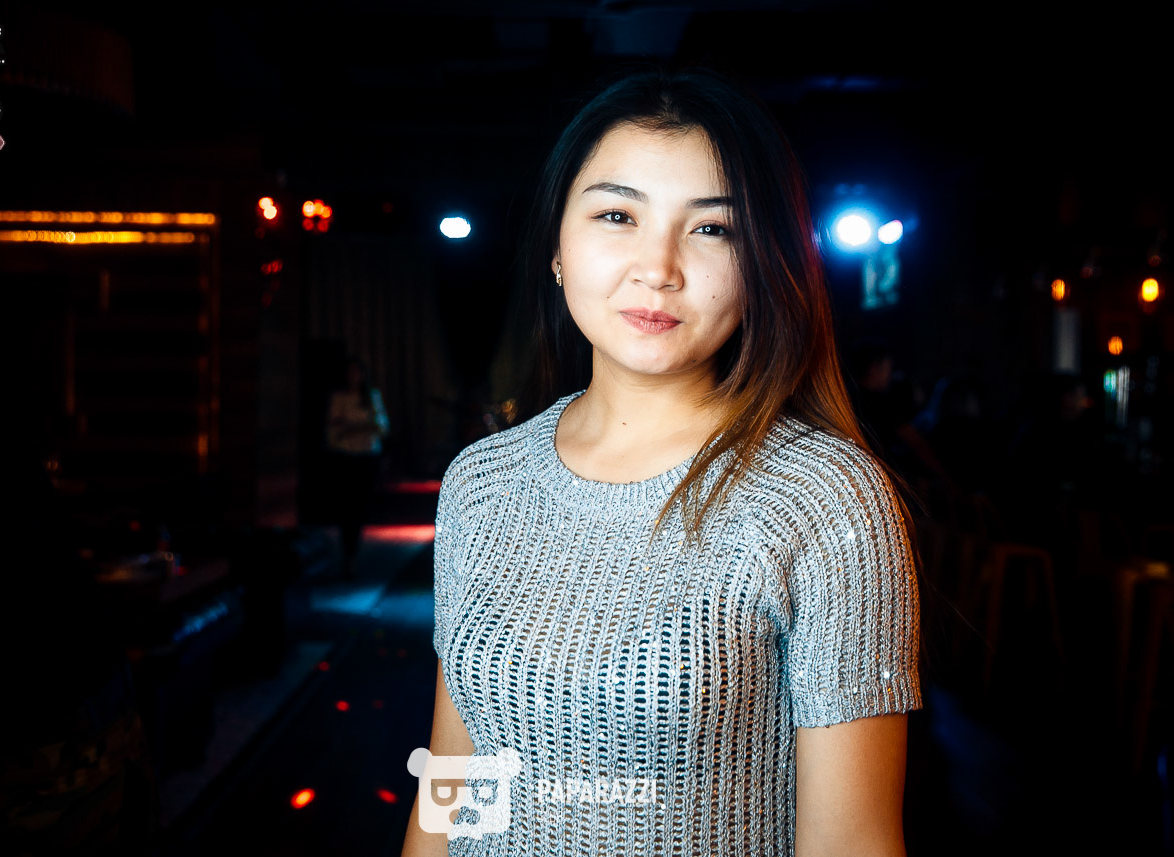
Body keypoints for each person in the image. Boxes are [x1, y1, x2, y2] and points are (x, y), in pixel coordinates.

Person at [402, 65, 922, 856]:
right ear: (556, 247)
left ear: (760, 265)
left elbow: (852, 841)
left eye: (712, 229)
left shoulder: (823, 496)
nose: (658, 267)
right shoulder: (481, 481)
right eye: (616, 215)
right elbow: (459, 774)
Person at [325, 356, 391, 577]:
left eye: (357, 372)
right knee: (347, 505)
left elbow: (381, 426)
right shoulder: (339, 398)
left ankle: (353, 551)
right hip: (345, 456)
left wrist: (354, 426)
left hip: (367, 455)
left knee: (360, 505)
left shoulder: (372, 396)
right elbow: (335, 427)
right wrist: (361, 426)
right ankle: (348, 552)